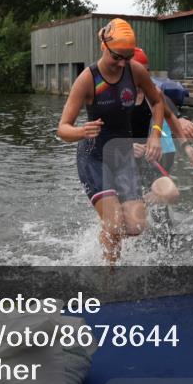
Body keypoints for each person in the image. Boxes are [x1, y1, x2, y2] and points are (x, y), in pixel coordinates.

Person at [57, 19, 166, 263]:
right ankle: (109, 275)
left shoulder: (135, 70)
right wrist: (81, 131)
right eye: (117, 56)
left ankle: (106, 233)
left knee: (136, 226)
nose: (122, 63)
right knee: (115, 224)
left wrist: (155, 134)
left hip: (122, 155)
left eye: (127, 57)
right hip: (94, 156)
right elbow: (62, 129)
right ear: (104, 47)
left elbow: (157, 101)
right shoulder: (87, 79)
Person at [128, 47, 193, 205]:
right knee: (130, 219)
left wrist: (186, 146)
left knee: (170, 194)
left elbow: (170, 116)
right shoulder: (114, 95)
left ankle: (148, 206)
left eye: (147, 71)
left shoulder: (153, 92)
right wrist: (128, 146)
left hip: (147, 157)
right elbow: (101, 133)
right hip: (120, 158)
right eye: (140, 71)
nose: (144, 75)